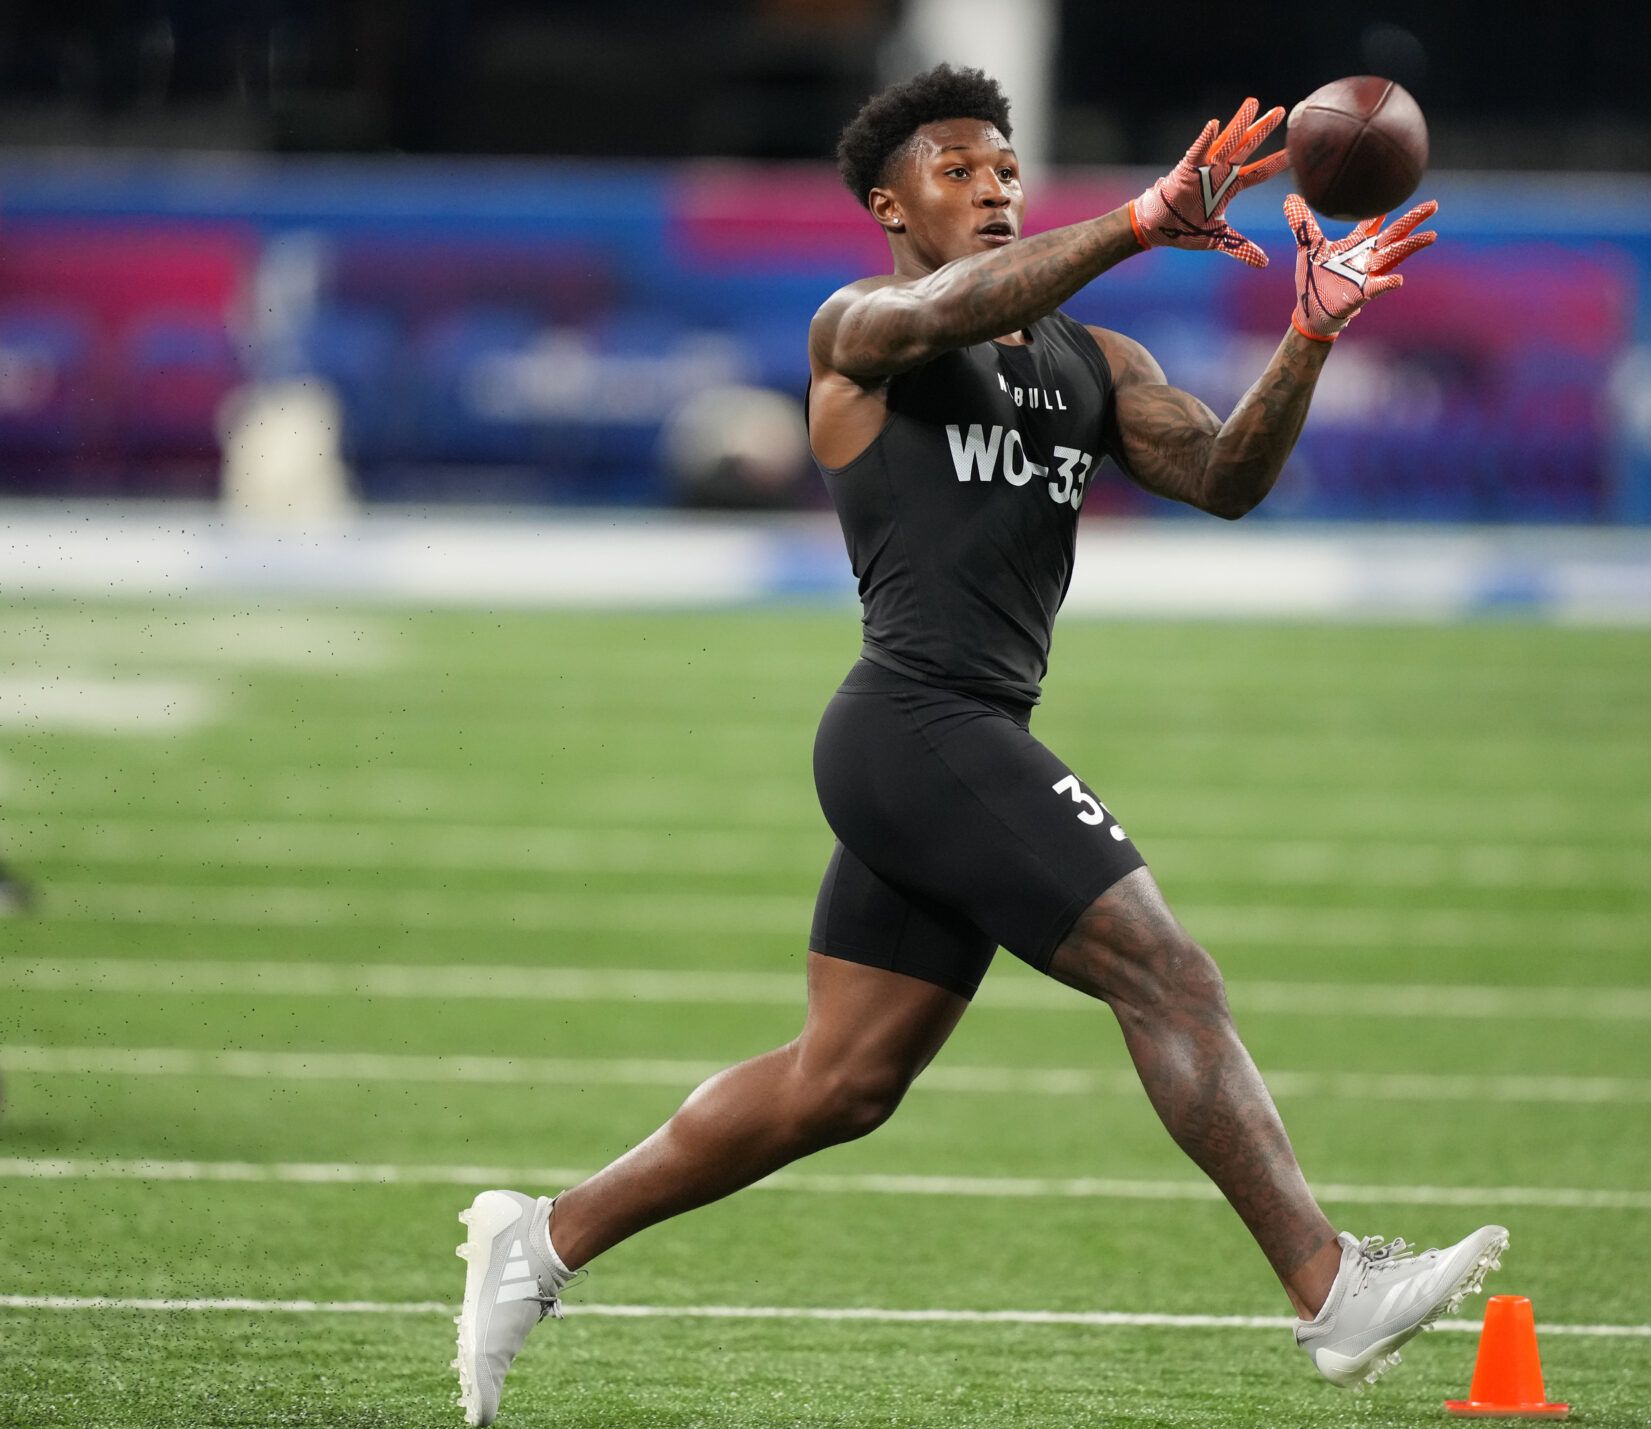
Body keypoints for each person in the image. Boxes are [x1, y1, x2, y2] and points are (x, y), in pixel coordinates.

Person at [452, 65, 1502, 1426]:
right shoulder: (864, 325)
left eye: (1006, 170)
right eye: (958, 172)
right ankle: (1327, 1285)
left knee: (840, 1081)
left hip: (958, 736)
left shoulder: (1096, 363)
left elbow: (1227, 480)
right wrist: (1138, 221)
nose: (994, 188)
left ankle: (540, 1237)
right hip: (915, 722)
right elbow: (952, 308)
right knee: (1165, 966)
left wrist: (1307, 334)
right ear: (890, 204)